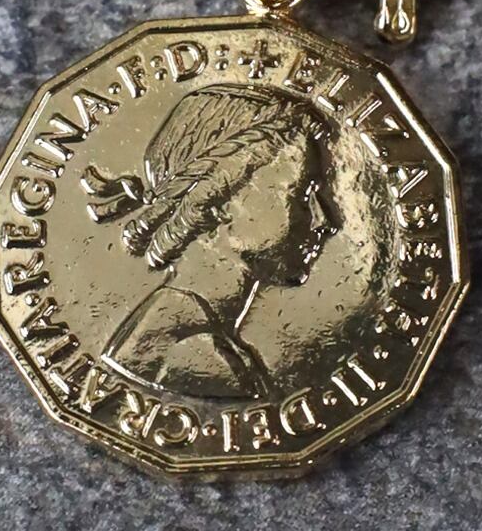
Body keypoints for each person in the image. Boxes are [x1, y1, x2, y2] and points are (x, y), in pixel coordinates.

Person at [83, 84, 339, 400]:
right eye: (299, 194)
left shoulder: (190, 335)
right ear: (218, 204)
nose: (325, 221)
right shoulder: (195, 353)